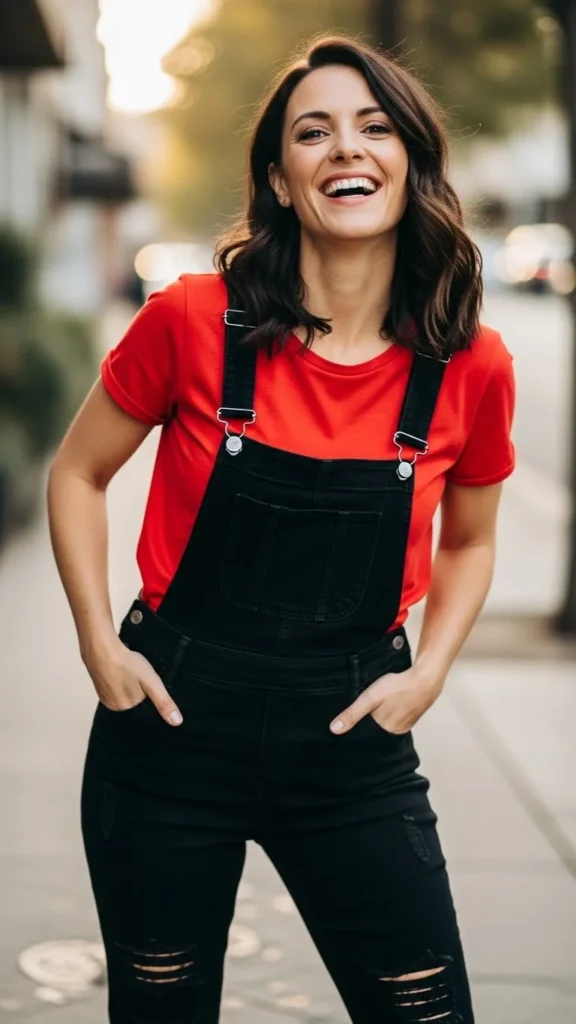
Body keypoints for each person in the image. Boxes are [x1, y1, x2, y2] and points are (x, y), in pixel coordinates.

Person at [47, 34, 515, 1024]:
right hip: (168, 735)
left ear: (411, 160)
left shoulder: (469, 362)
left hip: (351, 749)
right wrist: (98, 641)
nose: (347, 148)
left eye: (374, 127)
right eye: (315, 132)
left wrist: (429, 672)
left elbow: (471, 539)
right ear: (280, 177)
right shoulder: (189, 320)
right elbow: (79, 473)